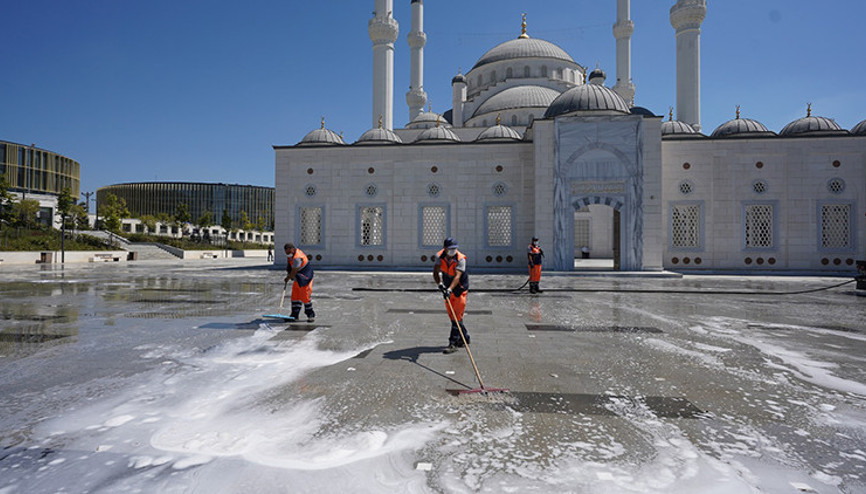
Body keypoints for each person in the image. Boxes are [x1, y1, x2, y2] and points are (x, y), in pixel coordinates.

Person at [433, 237, 469, 354]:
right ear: (445, 248)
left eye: (455, 248)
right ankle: (465, 337)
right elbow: (435, 271)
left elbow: (457, 276)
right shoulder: (440, 256)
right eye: (451, 249)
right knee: (453, 315)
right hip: (447, 287)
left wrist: (449, 289)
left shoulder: (460, 259)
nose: (453, 250)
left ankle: (453, 343)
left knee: (456, 317)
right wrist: (440, 284)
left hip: (459, 288)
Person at [284, 243, 315, 321]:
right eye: (286, 253)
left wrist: (288, 277)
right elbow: (289, 266)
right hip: (298, 277)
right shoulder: (291, 255)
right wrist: (288, 272)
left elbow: (294, 271)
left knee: (304, 296)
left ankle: (310, 315)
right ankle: (294, 315)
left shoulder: (298, 257)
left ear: (292, 249)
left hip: (305, 277)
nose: (287, 254)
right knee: (295, 296)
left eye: (288, 252)